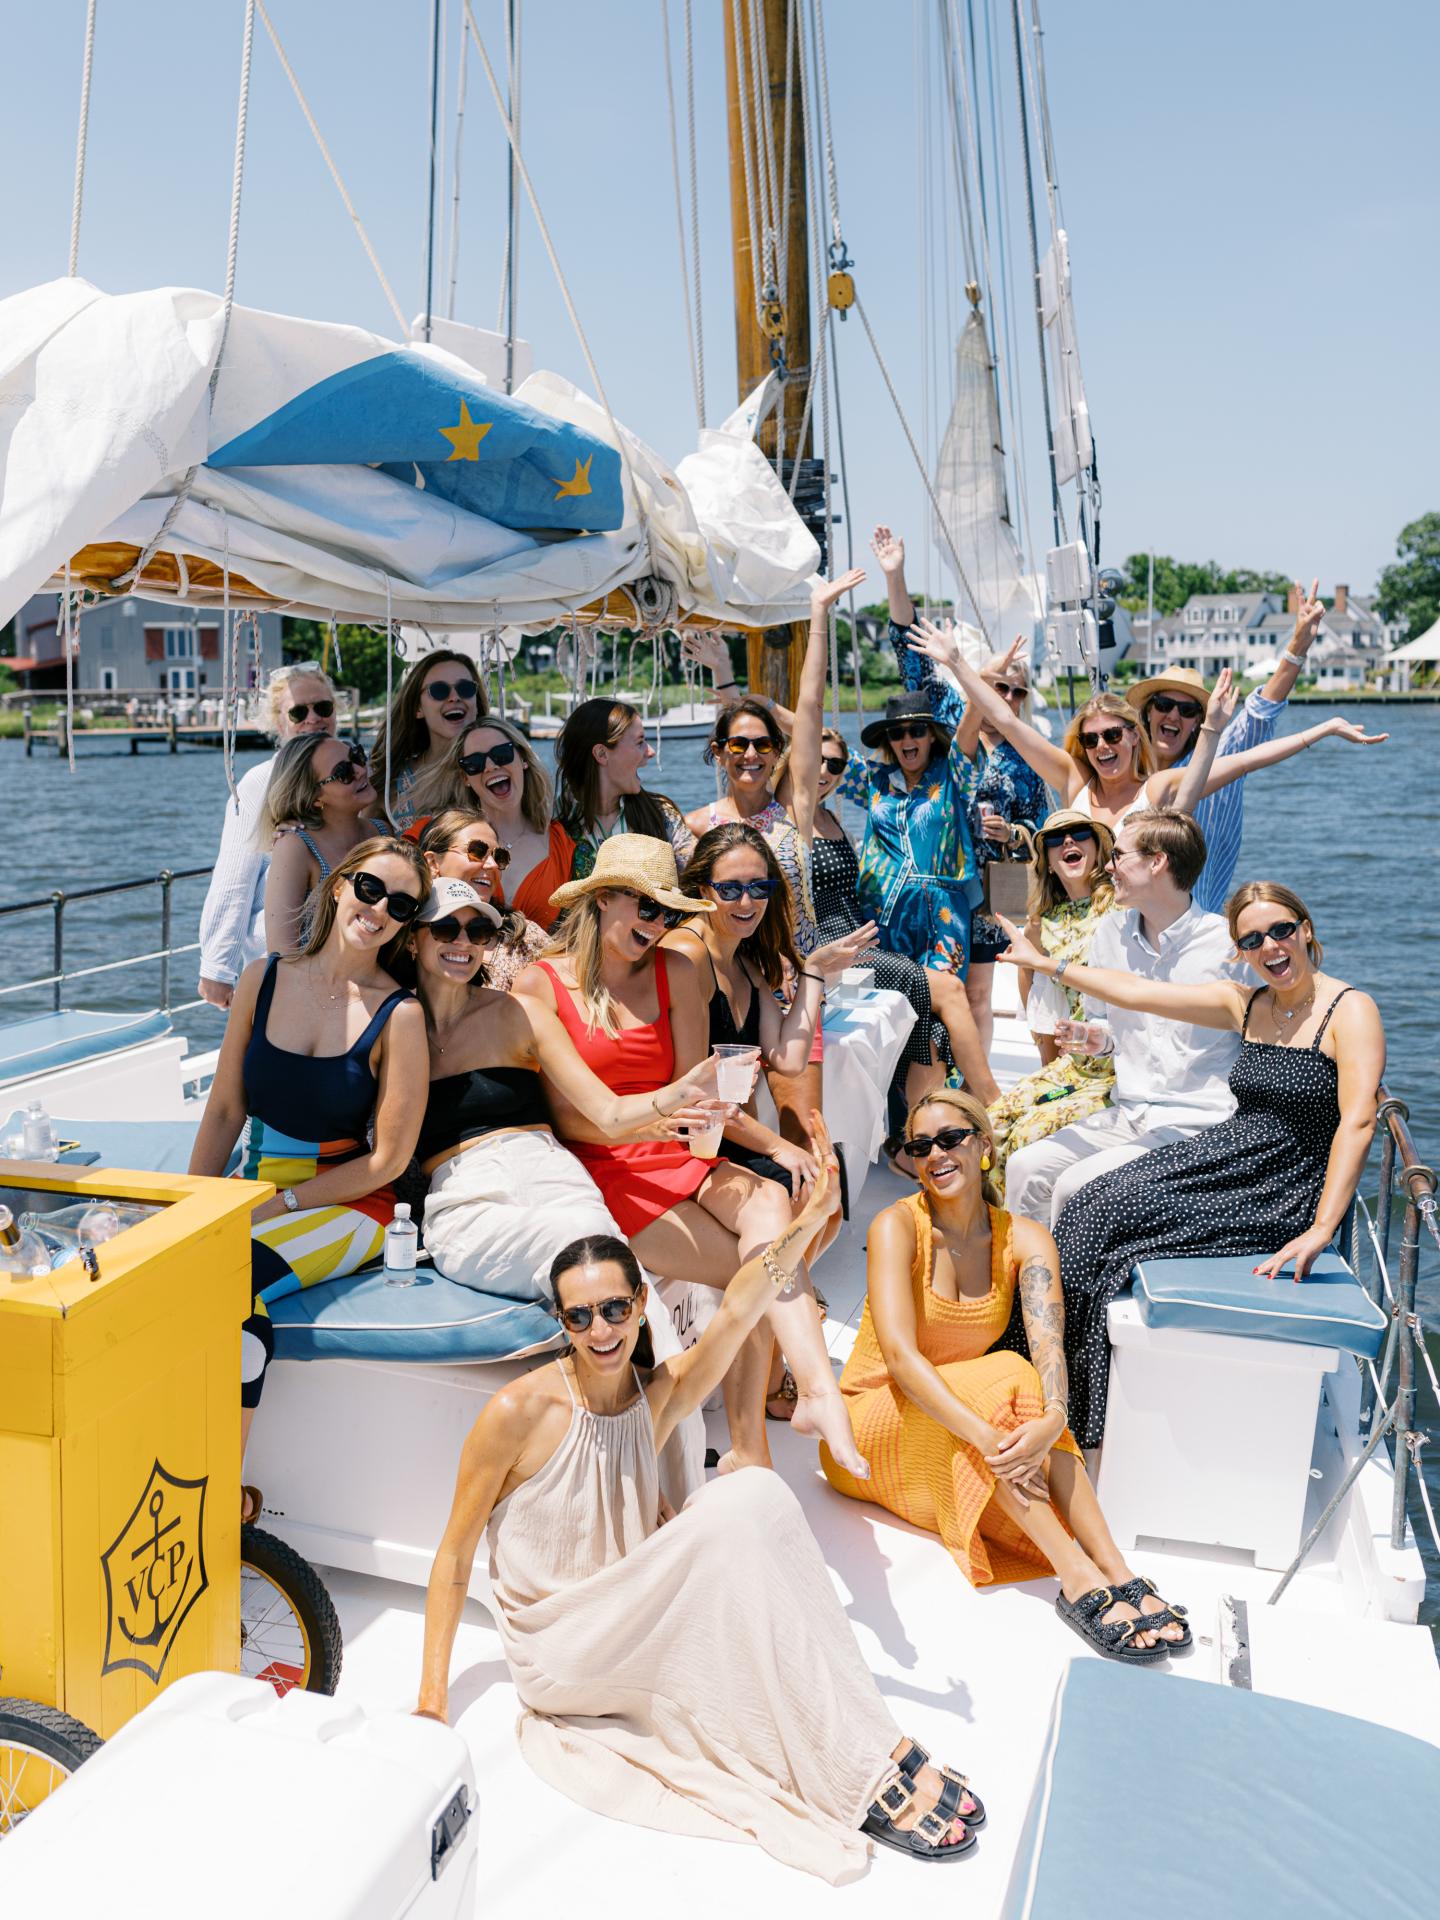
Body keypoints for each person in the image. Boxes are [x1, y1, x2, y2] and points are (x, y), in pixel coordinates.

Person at [416, 1131, 987, 1878]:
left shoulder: (658, 1396)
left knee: (754, 1491)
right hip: (563, 1645)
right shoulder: (518, 1414)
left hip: (629, 1611)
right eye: (579, 1317)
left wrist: (811, 1220)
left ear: (638, 1305)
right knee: (728, 1517)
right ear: (560, 1322)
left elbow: (742, 1303)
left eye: (615, 1309)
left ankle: (873, 1740)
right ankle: (860, 1770)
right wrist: (431, 1704)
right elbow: (455, 1553)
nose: (601, 1331)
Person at [514, 836, 864, 1480]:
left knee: (770, 1205)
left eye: (662, 911)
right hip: (607, 1164)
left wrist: (714, 1126)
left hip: (675, 1149)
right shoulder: (541, 985)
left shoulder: (673, 973)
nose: (653, 924)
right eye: (642, 907)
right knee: (753, 1266)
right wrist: (680, 1110)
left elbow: (695, 1088)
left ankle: (811, 1395)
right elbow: (581, 1118)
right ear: (599, 899)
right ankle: (759, 1439)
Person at [999, 883, 1385, 1446]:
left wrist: (1322, 1228)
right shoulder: (1247, 1004)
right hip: (1226, 1153)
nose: (1271, 947)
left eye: (1280, 930)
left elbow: (1358, 1123)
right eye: (1253, 939)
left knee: (1107, 1216)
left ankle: (1067, 1405)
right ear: (1240, 951)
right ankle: (1034, 1375)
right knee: (1089, 1201)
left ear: (1305, 929)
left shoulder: (1350, 1011)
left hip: (1278, 1186)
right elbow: (1134, 991)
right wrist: (1049, 964)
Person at [821, 1089, 1189, 1662]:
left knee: (1022, 1385)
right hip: (873, 1424)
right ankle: (1079, 1577)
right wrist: (989, 1437)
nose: (935, 1155)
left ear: (984, 1146)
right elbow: (900, 1360)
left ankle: (1114, 1566)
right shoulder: (898, 1227)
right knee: (1008, 1379)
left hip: (962, 1426)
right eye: (920, 1146)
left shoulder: (1024, 1238)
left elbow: (1050, 1349)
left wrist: (1053, 1421)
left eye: (950, 1139)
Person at [188, 837, 431, 1510]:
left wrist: (283, 1202)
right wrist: (188, 1208)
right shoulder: (264, 977)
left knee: (237, 1288)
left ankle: (222, 1492)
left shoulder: (399, 1014)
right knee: (164, 1273)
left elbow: (388, 1160)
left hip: (353, 1204)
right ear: (337, 886)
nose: (380, 909)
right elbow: (225, 1110)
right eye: (371, 889)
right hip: (254, 1187)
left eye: (402, 904)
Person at [408, 876, 724, 1305]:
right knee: (587, 1254)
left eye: (478, 932)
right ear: (413, 939)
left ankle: (662, 1365)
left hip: (551, 1169)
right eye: (446, 929)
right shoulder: (395, 1025)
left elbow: (607, 1113)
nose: (463, 942)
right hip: (467, 1187)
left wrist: (680, 1094)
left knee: (617, 1271)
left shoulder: (520, 1013)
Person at [998, 808, 1247, 1228]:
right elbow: (1108, 1024)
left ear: (1157, 862)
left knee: (1072, 1186)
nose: (1108, 867)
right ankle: (1026, 1283)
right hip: (1128, 1111)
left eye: (1118, 856)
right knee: (1024, 1166)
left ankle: (1069, 1290)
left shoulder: (1226, 946)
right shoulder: (1111, 934)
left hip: (1196, 1121)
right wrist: (1097, 1038)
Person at [684, 571, 866, 1144]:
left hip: (794, 991)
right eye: (737, 745)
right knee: (727, 1140)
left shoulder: (795, 813)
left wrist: (818, 614)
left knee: (800, 1136)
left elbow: (810, 710)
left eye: (764, 745)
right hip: (725, 997)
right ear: (719, 753)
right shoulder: (697, 827)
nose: (751, 755)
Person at [909, 620, 1387, 837]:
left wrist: (1321, 729)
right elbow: (1008, 720)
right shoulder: (1073, 778)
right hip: (1069, 938)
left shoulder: (1157, 788)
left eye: (1113, 735)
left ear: (1133, 735)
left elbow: (1246, 758)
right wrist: (957, 664)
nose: (1102, 747)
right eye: (1092, 739)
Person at [1129, 579, 1327, 912]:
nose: (1174, 715)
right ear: (1148, 712)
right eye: (1164, 704)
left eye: (1188, 710)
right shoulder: (1125, 771)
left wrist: (1297, 648)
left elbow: (1260, 713)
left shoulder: (1218, 757)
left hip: (1197, 927)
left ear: (1197, 722)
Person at [809, 725, 951, 1132]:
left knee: (936, 1027)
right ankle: (984, 1106)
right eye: (816, 758)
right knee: (945, 992)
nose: (825, 769)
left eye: (835, 763)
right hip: (834, 947)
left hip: (860, 939)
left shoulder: (832, 817)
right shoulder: (790, 820)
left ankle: (913, 1134)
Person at [985, 811, 1118, 1198]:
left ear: (1097, 847)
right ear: (1047, 860)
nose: (1069, 844)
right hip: (1073, 1065)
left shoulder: (1121, 907)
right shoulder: (1044, 922)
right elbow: (1035, 991)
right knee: (989, 1125)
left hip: (1115, 1066)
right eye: (1057, 841)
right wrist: (1048, 1060)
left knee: (1027, 1132)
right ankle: (996, 1237)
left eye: (1080, 834)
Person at [198, 661, 339, 1008]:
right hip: (278, 959)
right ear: (279, 723)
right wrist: (217, 969)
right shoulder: (260, 783)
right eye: (298, 713)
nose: (313, 719)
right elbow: (233, 879)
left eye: (323, 708)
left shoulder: (355, 773)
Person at [415, 715, 574, 928]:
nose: (490, 766)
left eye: (501, 754)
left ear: (523, 759)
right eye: (475, 763)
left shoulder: (562, 844)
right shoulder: (433, 833)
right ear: (465, 778)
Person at [259, 735, 388, 953]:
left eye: (357, 756)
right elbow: (282, 954)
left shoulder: (383, 832)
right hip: (317, 984)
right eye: (343, 772)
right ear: (314, 797)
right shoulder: (295, 847)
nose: (360, 770)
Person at [554, 697, 694, 880]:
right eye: (639, 742)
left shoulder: (660, 815)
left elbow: (697, 877)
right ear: (601, 754)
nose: (650, 752)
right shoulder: (552, 821)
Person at [416, 809, 547, 992]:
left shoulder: (525, 937)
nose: (492, 865)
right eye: (477, 851)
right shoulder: (400, 929)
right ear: (432, 863)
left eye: (498, 856)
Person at [368, 650, 485, 832]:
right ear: (418, 708)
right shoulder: (388, 784)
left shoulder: (502, 768)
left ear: (476, 701)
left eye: (465, 689)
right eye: (439, 691)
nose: (455, 697)